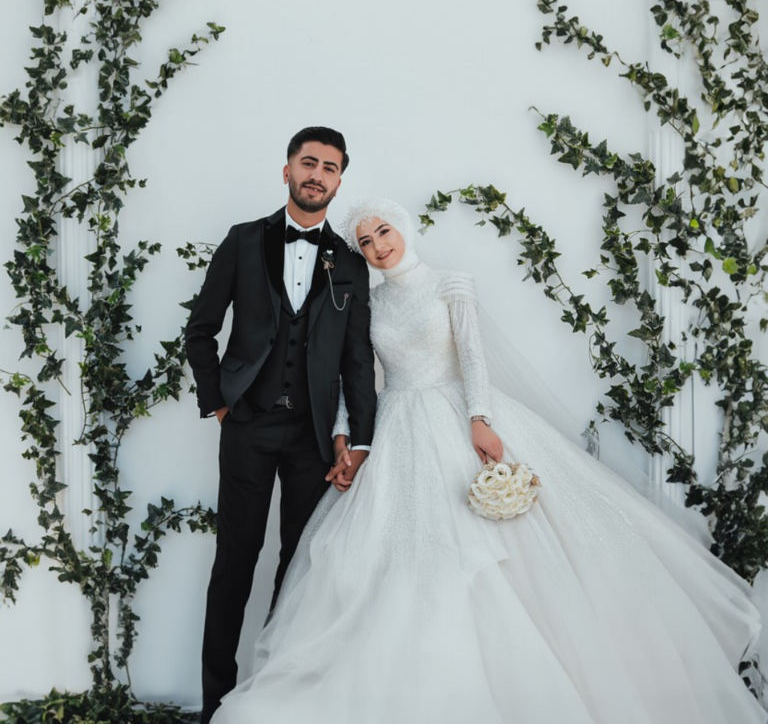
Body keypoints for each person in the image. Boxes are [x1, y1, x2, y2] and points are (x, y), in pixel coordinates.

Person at [210, 199, 766, 724]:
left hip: (455, 414)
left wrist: (479, 416)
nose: (378, 245)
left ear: (403, 227)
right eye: (365, 240)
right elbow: (351, 373)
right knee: (391, 553)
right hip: (395, 421)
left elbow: (472, 355)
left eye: (384, 231)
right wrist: (343, 433)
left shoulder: (451, 284)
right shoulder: (368, 300)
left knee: (489, 549)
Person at [184, 128, 377, 724]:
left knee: (300, 571)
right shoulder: (244, 241)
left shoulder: (348, 260)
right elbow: (201, 330)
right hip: (247, 424)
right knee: (234, 562)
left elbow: (356, 358)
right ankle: (217, 704)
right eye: (308, 162)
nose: (318, 174)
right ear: (287, 169)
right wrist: (219, 402)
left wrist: (361, 438)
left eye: (330, 167)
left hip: (315, 437)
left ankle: (272, 703)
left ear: (340, 180)